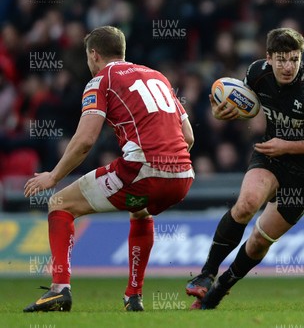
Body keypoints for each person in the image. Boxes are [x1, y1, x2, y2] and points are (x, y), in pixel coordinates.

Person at [23, 26, 195, 312]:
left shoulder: (101, 80)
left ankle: (59, 290)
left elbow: (86, 140)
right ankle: (133, 297)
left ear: (94, 54)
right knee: (140, 210)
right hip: (183, 177)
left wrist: (52, 176)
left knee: (59, 203)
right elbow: (188, 137)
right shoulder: (158, 76)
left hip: (142, 170)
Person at [185, 27, 304, 310]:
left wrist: (287, 145)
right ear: (268, 57)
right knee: (246, 205)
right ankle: (206, 274)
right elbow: (243, 109)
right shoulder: (257, 73)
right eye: (281, 59)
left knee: (259, 240)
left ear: (301, 58)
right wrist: (221, 112)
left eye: (294, 59)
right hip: (272, 155)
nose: (288, 66)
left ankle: (220, 290)